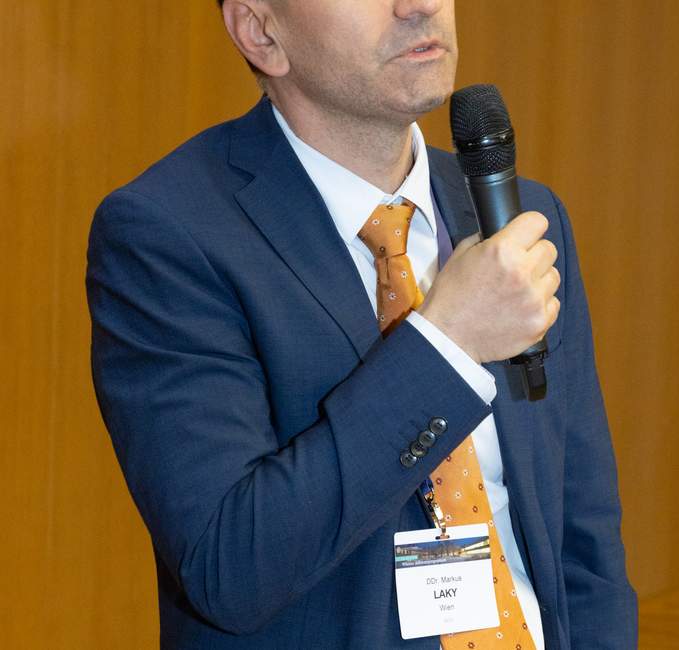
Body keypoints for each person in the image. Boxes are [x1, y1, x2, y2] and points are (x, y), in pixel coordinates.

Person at [86, 0, 637, 647]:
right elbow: (229, 567)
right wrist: (446, 344)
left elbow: (584, 537)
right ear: (261, 31)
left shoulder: (519, 215)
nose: (420, 5)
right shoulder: (170, 236)